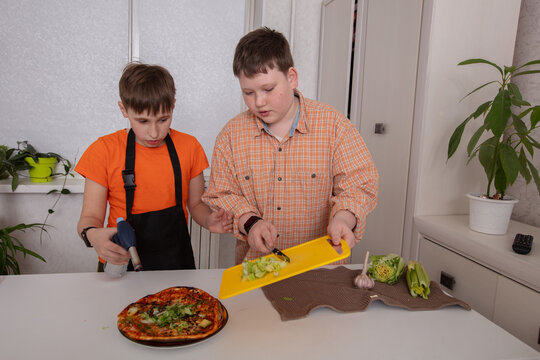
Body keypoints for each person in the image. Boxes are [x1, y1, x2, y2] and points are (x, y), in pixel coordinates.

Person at [202, 27, 378, 264]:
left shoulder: (334, 125)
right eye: (248, 93)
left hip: (322, 270)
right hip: (259, 270)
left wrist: (344, 219)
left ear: (292, 77)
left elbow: (359, 186)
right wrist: (251, 222)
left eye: (268, 89)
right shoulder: (230, 135)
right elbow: (222, 193)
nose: (259, 102)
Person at [76, 63, 232, 271]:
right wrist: (92, 235)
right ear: (124, 109)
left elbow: (195, 205)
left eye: (163, 119)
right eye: (142, 121)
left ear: (173, 106)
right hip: (122, 265)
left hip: (176, 264)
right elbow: (90, 218)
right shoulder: (103, 151)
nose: (154, 132)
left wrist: (209, 220)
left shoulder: (189, 147)